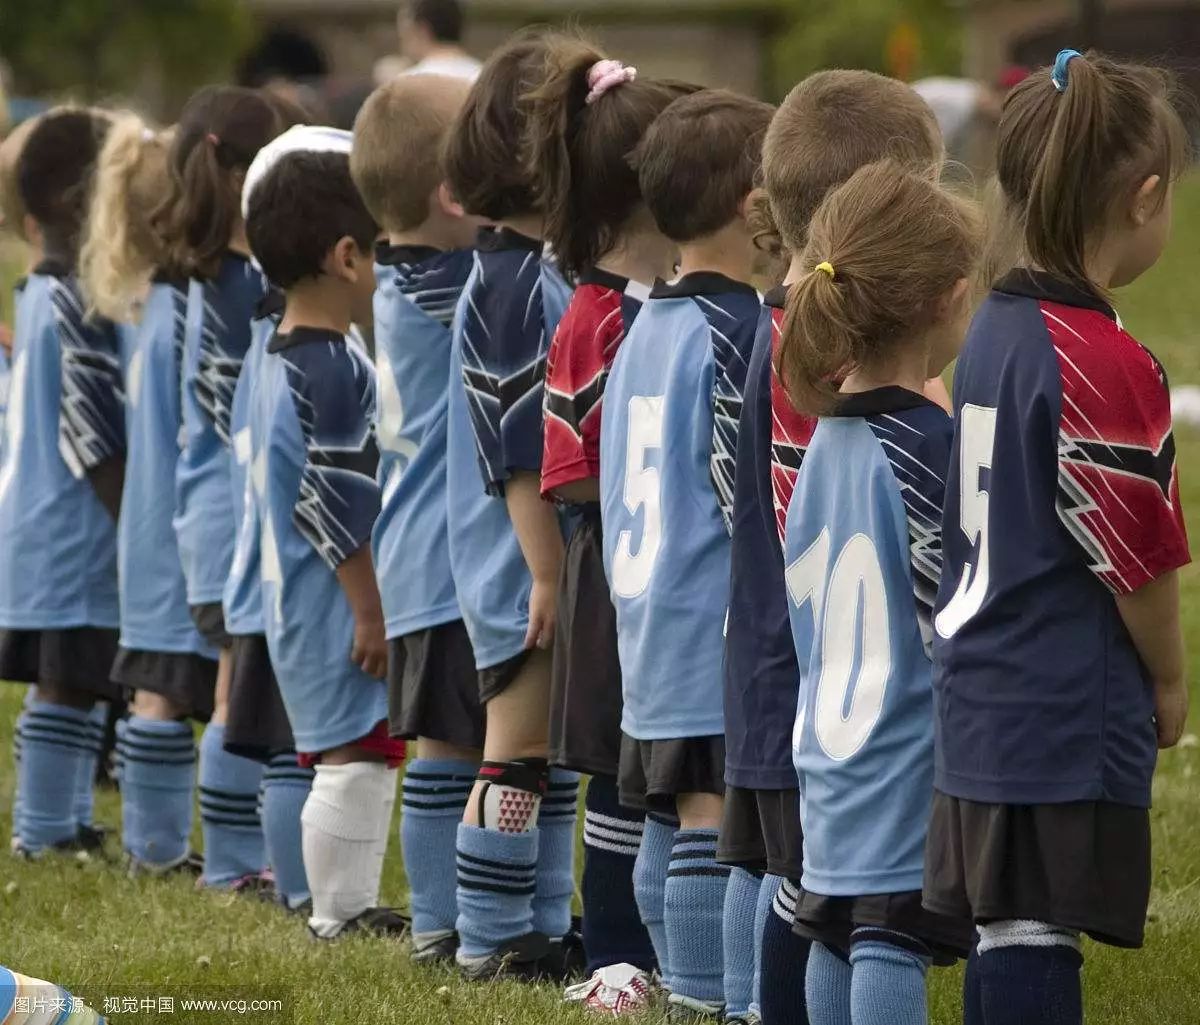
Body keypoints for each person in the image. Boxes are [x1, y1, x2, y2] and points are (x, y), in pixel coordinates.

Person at [927, 50, 1191, 1025]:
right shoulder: (1104, 360)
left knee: (1007, 919)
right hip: (1054, 696)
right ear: (1146, 197)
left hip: (979, 682)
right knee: (1036, 924)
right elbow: (1136, 553)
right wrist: (1170, 676)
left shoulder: (991, 325)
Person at [723, 69, 946, 1025]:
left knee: (808, 887)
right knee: (848, 902)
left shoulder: (784, 341)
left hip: (796, 662)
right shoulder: (833, 379)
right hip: (834, 673)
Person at [775, 160, 979, 1025]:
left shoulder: (821, 439)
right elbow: (956, 618)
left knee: (834, 924)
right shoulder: (931, 447)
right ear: (948, 299)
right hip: (902, 752)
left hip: (828, 745)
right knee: (889, 934)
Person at [525, 35, 692, 1012]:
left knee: (677, 765)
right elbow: (570, 472)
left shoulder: (682, 303)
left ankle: (681, 949)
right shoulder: (594, 314)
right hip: (620, 572)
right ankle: (619, 953)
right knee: (624, 775)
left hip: (677, 570)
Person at [599, 88, 774, 1019]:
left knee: (669, 813)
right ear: (758, 205)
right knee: (711, 814)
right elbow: (746, 488)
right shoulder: (738, 329)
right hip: (708, 621)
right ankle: (713, 998)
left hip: (647, 617)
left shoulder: (643, 323)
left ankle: (680, 985)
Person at [440, 30, 581, 981]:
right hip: (519, 557)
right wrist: (546, 567)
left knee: (548, 753)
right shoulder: (509, 282)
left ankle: (539, 921)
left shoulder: (534, 266)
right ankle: (489, 935)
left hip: (534, 555)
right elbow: (517, 441)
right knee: (518, 746)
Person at [245, 136, 409, 939]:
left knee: (337, 750)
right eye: (381, 250)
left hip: (289, 601)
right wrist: (371, 612)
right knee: (356, 751)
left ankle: (335, 906)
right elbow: (334, 502)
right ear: (347, 257)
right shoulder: (333, 370)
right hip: (333, 604)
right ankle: (338, 912)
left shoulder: (274, 355)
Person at [147, 86, 298, 890]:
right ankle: (238, 861)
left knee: (234, 683)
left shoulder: (207, 273)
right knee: (239, 688)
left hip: (214, 521)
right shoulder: (240, 286)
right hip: (233, 523)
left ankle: (240, 857)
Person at [349, 72, 484, 964]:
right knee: (449, 746)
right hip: (444, 556)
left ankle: (442, 916)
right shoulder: (453, 283)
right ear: (454, 194)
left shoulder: (397, 273)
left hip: (412, 550)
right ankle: (446, 918)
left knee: (442, 743)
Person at [76, 113, 215, 876]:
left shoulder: (146, 302)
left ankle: (151, 843)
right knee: (172, 687)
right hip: (175, 527)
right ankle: (169, 847)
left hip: (145, 528)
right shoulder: (188, 307)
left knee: (155, 686)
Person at [0, 107, 121, 858]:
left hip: (44, 529)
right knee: (68, 681)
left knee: (78, 678)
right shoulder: (75, 302)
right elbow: (92, 430)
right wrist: (135, 514)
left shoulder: (39, 293)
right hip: (72, 532)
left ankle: (67, 818)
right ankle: (43, 828)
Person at [387, 0, 481, 83]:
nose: (403, 44)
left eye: (404, 34)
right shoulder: (482, 78)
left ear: (421, 30)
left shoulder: (405, 85)